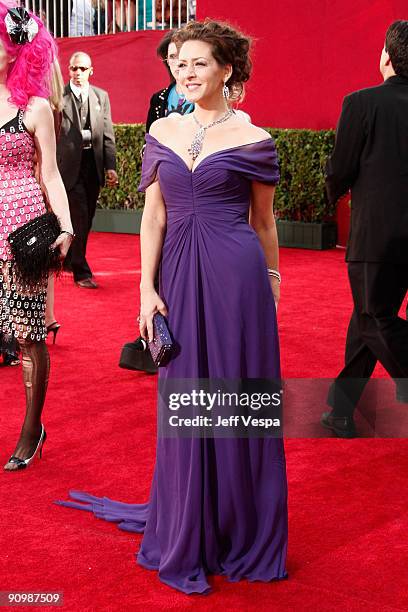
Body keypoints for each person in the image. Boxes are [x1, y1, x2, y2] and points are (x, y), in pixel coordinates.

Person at [58, 19, 288, 594]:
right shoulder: (162, 129)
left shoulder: (253, 139)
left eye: (198, 63)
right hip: (178, 278)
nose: (185, 72)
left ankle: (243, 527)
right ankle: (191, 521)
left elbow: (263, 222)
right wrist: (144, 287)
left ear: (226, 70)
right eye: (178, 63)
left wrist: (273, 276)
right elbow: (153, 215)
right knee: (185, 397)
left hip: (237, 277)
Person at [321, 20, 408, 438]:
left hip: (378, 235)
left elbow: (340, 170)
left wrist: (332, 183)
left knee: (375, 317)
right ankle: (340, 408)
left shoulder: (361, 102)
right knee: (366, 316)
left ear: (386, 58)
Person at [0, 4, 74, 470]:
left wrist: (65, 225)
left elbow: (50, 171)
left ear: (14, 48)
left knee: (28, 335)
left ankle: (32, 427)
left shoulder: (35, 106)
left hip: (22, 227)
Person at [57, 52, 117, 289]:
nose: (78, 73)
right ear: (69, 70)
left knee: (88, 216)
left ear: (91, 70)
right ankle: (81, 271)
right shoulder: (58, 97)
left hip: (93, 164)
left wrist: (110, 167)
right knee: (79, 217)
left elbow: (107, 134)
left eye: (82, 69)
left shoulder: (101, 96)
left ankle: (70, 260)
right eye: (74, 68)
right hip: (68, 167)